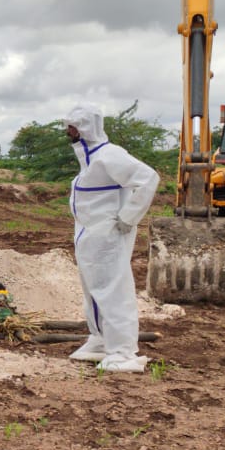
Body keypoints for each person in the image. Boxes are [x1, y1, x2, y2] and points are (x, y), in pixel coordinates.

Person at [64, 106, 159, 373]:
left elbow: (148, 178)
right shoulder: (90, 159)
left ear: (85, 128)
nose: (67, 132)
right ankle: (100, 340)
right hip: (90, 235)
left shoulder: (110, 155)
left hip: (107, 236)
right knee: (93, 289)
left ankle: (123, 351)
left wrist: (128, 218)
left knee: (113, 291)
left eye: (72, 126)